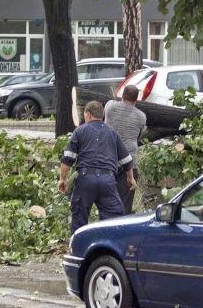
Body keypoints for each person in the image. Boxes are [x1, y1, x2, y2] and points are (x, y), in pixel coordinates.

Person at [58, 101, 137, 233]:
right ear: (103, 115)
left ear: (88, 115)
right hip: (108, 180)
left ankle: (80, 249)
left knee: (79, 218)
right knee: (112, 219)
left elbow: (68, 158)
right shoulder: (113, 133)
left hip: (85, 180)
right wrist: (130, 178)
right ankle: (108, 247)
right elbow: (127, 160)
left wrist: (63, 179)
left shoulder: (79, 131)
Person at [104, 85, 147, 214]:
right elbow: (139, 135)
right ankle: (123, 222)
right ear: (136, 99)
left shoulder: (110, 106)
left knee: (107, 199)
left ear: (122, 95)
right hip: (130, 161)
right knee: (125, 201)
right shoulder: (141, 116)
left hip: (108, 158)